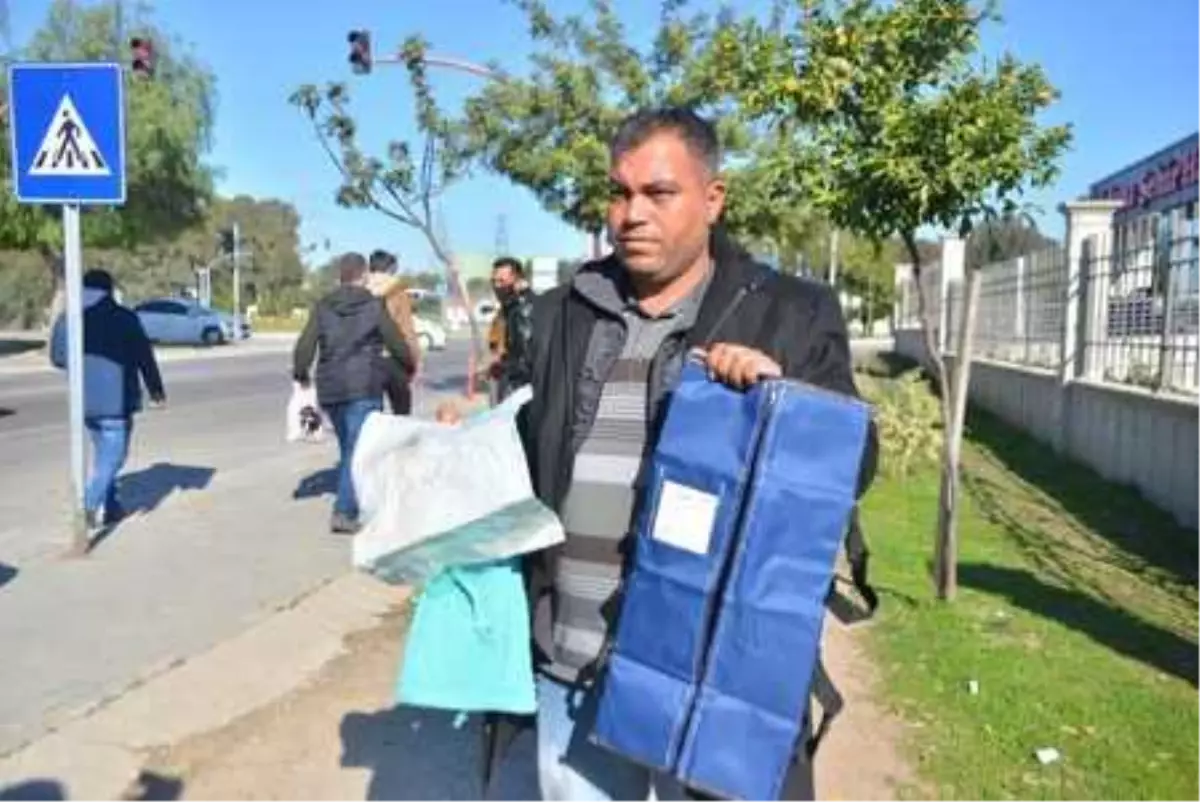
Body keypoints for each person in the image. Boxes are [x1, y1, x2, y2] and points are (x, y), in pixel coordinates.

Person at [453, 107, 879, 801]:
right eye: (619, 193)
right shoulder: (565, 309)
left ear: (713, 200)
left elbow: (852, 467)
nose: (632, 214)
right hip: (574, 660)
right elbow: (531, 446)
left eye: (658, 193)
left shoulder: (788, 311)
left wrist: (782, 404)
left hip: (713, 677)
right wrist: (474, 428)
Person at [293, 252, 415, 534]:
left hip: (330, 388)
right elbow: (395, 341)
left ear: (340, 277)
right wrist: (408, 363)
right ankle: (344, 511)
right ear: (363, 277)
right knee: (356, 451)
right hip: (364, 386)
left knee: (350, 447)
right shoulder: (374, 306)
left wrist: (301, 372)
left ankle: (355, 501)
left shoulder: (323, 307)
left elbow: (305, 344)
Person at [49, 268, 165, 531]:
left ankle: (112, 508)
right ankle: (89, 506)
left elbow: (57, 357)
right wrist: (156, 391)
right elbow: (144, 356)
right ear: (110, 290)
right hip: (117, 402)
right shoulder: (124, 318)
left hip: (84, 402)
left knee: (103, 454)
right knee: (114, 455)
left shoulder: (69, 318)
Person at [366, 249, 421, 415]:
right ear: (391, 268)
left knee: (372, 417)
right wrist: (414, 360)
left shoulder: (360, 290)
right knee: (402, 412)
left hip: (367, 361)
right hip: (394, 359)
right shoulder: (397, 292)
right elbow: (407, 331)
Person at [486, 256, 536, 401]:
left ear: (518, 281)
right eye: (493, 281)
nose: (496, 286)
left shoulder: (523, 309)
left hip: (520, 392)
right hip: (511, 388)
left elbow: (526, 360)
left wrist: (503, 366)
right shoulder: (508, 308)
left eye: (502, 281)